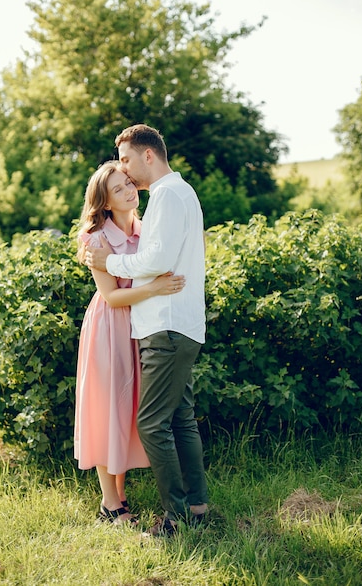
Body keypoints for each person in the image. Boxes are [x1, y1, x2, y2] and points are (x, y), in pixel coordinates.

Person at [85, 125, 208, 536]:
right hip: (163, 325)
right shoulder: (175, 195)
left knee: (154, 423)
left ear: (147, 156)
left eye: (126, 161)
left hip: (166, 326)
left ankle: (177, 518)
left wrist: (110, 264)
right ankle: (196, 508)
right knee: (178, 419)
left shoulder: (168, 197)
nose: (125, 171)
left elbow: (155, 259)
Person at [74, 160, 185, 526]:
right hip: (109, 328)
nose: (129, 191)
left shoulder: (144, 228)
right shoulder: (96, 239)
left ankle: (118, 494)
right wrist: (154, 287)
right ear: (105, 202)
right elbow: (110, 296)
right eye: (118, 189)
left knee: (127, 411)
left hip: (139, 326)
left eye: (128, 183)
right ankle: (110, 504)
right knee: (107, 411)